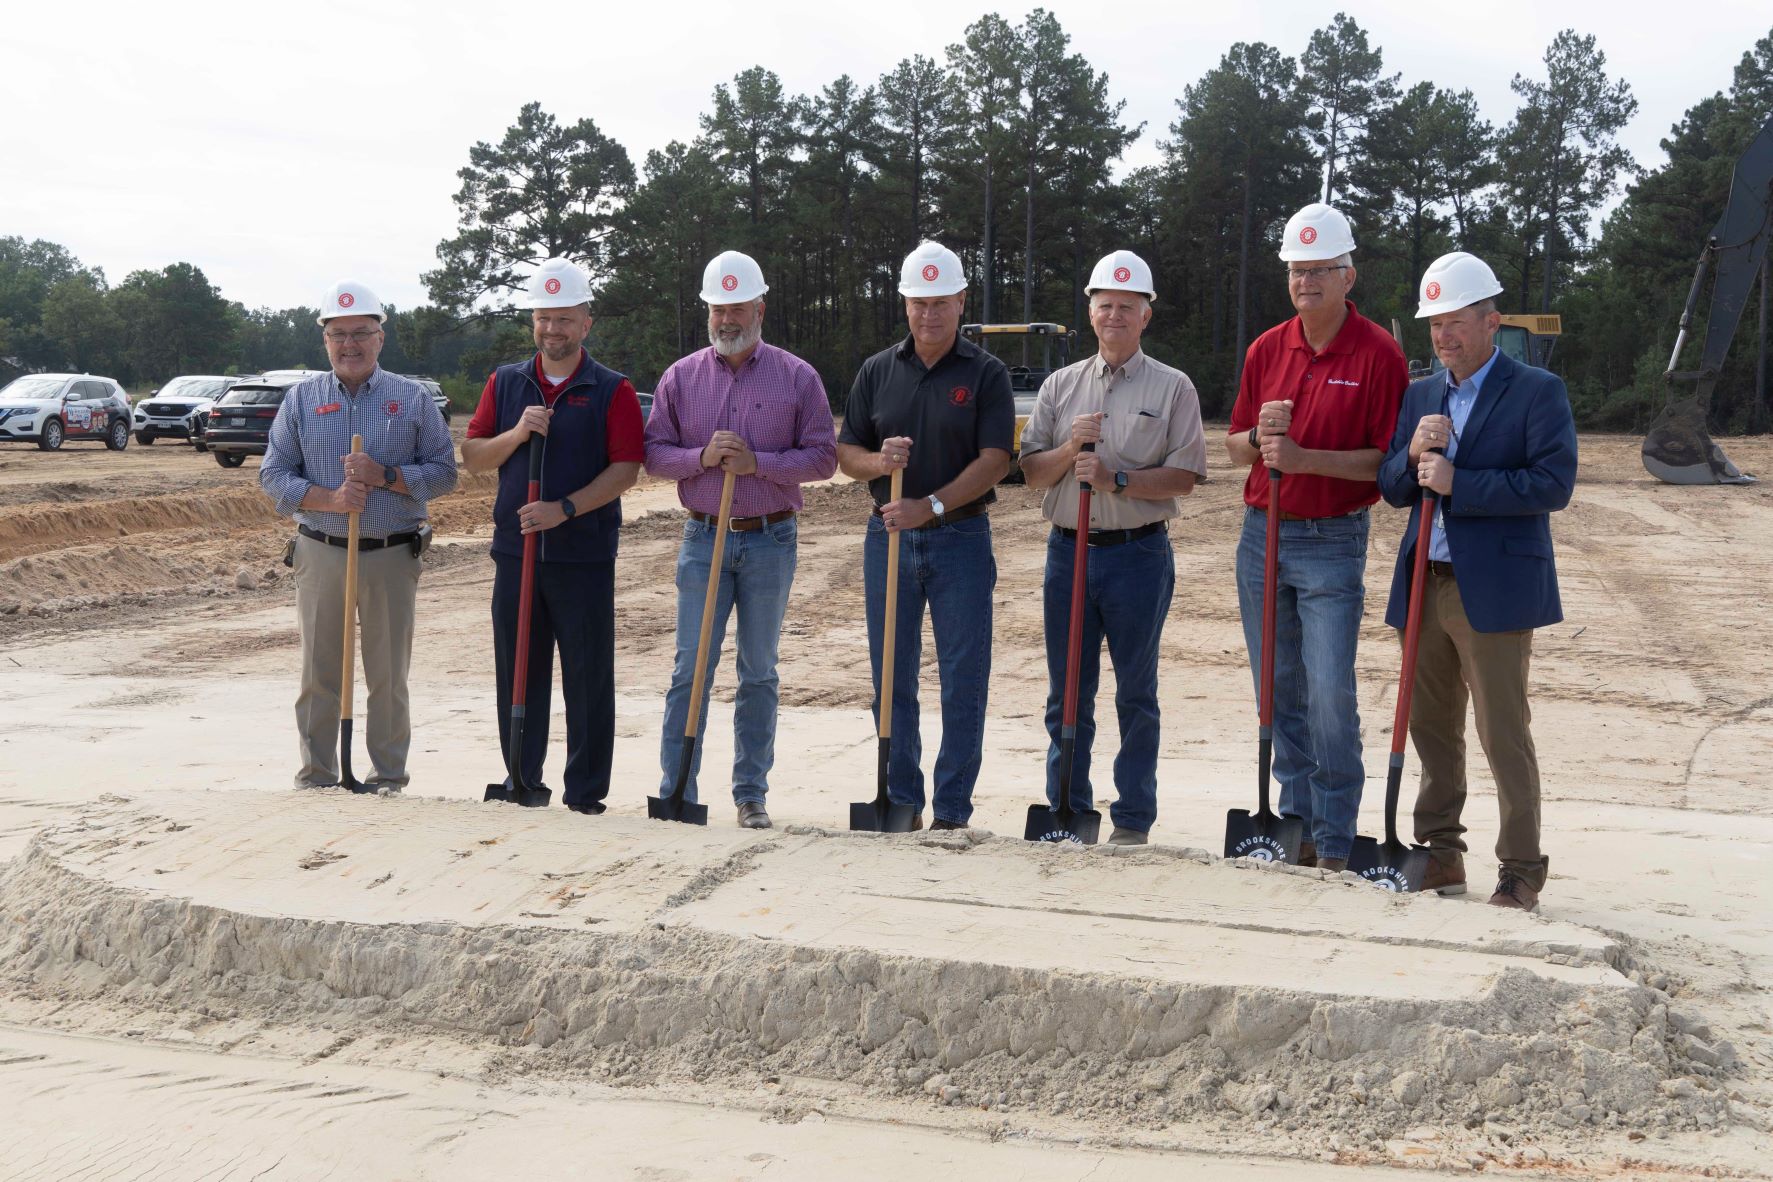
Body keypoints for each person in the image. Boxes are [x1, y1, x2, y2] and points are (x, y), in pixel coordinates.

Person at [1378, 252, 1577, 911]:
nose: (1442, 336)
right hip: (1422, 582)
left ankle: (1520, 868)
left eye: (1455, 322)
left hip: (1488, 585)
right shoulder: (1420, 395)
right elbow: (1391, 488)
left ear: (1491, 321)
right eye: (1433, 324)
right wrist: (1411, 456)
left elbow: (1551, 485)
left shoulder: (1534, 391)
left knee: (1500, 730)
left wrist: (1460, 483)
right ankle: (1438, 855)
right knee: (1430, 727)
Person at [1224, 203, 1408, 872]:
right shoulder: (1266, 349)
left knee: (1329, 690)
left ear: (1347, 275)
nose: (1306, 281)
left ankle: (1334, 837)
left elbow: (1386, 466)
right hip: (1260, 536)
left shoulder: (1379, 356)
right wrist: (1259, 439)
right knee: (1276, 690)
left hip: (1331, 538)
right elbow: (1233, 447)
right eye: (1296, 271)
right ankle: (1293, 824)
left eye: (1320, 270)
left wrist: (1303, 459)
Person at [643, 251, 837, 829]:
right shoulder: (681, 378)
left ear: (760, 308)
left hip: (770, 540)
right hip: (704, 539)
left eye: (737, 307)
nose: (727, 319)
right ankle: (677, 787)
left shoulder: (799, 377)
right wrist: (701, 457)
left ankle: (750, 792)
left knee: (757, 671)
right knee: (690, 669)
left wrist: (759, 464)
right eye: (717, 308)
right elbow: (652, 455)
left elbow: (824, 458)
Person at [1018, 251, 1206, 845]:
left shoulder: (1173, 387)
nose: (1116, 316)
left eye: (1128, 307)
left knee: (1136, 693)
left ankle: (1132, 817)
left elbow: (1184, 477)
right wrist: (1070, 451)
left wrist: (1115, 478)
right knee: (1067, 690)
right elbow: (1031, 473)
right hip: (1067, 552)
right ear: (1091, 313)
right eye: (1106, 306)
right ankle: (1067, 809)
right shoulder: (1059, 385)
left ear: (1146, 316)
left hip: (1137, 557)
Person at [836, 241, 1014, 830]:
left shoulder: (985, 372)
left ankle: (953, 811)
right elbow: (846, 453)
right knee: (892, 674)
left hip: (960, 540)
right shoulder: (876, 370)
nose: (929, 315)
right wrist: (878, 464)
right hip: (885, 537)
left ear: (961, 302)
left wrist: (931, 506)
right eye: (918, 303)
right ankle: (901, 800)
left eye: (941, 303)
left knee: (964, 676)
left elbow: (996, 459)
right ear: (905, 305)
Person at [460, 258, 644, 814]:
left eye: (564, 319)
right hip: (517, 553)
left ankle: (585, 792)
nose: (552, 330)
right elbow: (472, 457)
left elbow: (626, 469)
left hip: (582, 554)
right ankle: (521, 777)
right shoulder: (505, 382)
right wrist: (517, 433)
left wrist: (564, 509)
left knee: (587, 675)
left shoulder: (612, 388)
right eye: (543, 319)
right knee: (518, 666)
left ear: (586, 322)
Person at [260, 280, 458, 792]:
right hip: (322, 551)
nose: (350, 344)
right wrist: (330, 498)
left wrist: (384, 476)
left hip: (391, 552)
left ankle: (388, 776)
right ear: (325, 340)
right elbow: (273, 475)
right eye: (338, 334)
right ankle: (318, 775)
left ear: (380, 337)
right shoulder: (301, 399)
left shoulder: (411, 398)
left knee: (387, 677)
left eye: (361, 333)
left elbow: (444, 473)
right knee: (319, 673)